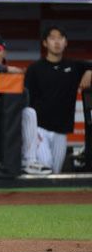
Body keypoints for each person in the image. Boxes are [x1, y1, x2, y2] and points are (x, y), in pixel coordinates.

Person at [22, 25, 92, 174]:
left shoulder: (73, 66)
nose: (57, 42)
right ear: (45, 43)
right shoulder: (35, 68)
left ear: (66, 42)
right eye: (52, 38)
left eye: (60, 38)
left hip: (61, 131)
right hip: (39, 129)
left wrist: (89, 72)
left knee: (55, 171)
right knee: (45, 166)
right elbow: (26, 100)